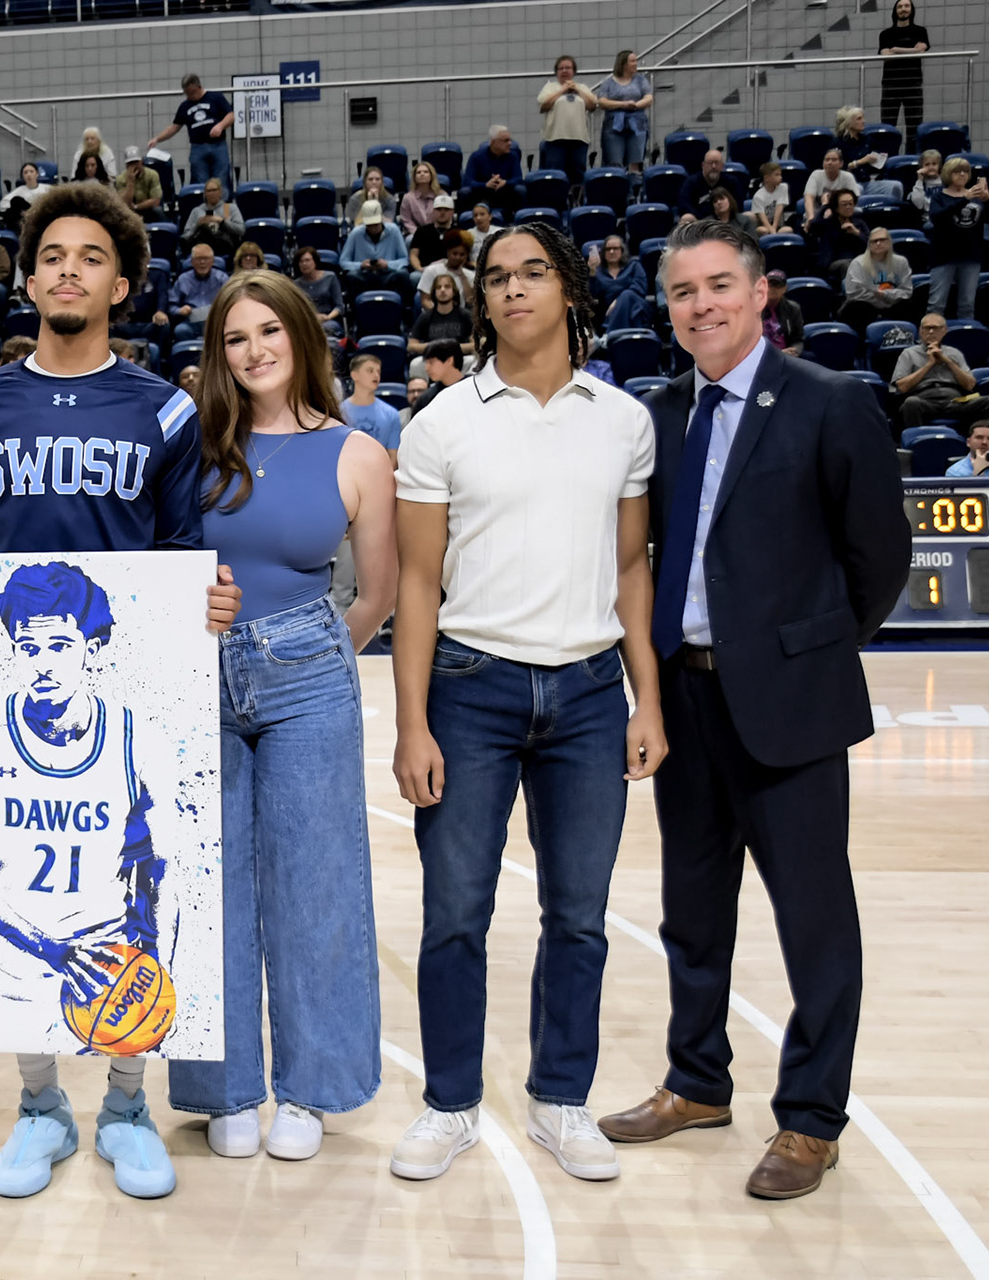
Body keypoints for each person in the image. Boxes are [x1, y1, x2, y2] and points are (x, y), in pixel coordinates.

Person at [0, 180, 243, 1203]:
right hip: (10, 674)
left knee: (127, 886)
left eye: (91, 258)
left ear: (122, 284)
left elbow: (178, 551)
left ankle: (126, 1107)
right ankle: (40, 1107)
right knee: (22, 879)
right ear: (27, 280)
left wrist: (205, 603)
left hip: (123, 684)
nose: (69, 271)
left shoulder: (164, 407)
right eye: (53, 257)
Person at [597, 217, 909, 1201]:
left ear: (760, 292)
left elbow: (880, 558)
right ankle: (697, 1081)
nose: (702, 306)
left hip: (791, 704)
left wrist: (804, 652)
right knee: (692, 913)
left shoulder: (829, 401)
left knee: (814, 921)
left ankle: (811, 1118)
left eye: (720, 285)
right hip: (685, 698)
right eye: (683, 292)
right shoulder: (658, 413)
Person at [389, 218, 662, 1187]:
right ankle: (448, 1103)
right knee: (455, 913)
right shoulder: (441, 423)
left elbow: (630, 568)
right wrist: (411, 721)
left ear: (571, 290)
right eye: (497, 276)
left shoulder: (622, 420)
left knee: (578, 915)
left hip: (589, 693)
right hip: (471, 689)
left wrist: (646, 698)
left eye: (533, 271)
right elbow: (417, 583)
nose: (512, 288)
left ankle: (560, 1097)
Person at [167, 269, 394, 1162]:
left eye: (269, 331)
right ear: (217, 353)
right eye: (235, 338)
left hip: (308, 672)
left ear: (301, 336)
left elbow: (376, 595)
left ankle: (309, 1090)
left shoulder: (357, 453)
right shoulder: (191, 444)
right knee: (207, 888)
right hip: (197, 674)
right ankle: (221, 1088)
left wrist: (309, 651)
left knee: (317, 884)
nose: (254, 350)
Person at [892, 313, 989, 428]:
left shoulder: (954, 353)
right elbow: (902, 387)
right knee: (911, 403)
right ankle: (915, 438)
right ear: (921, 331)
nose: (931, 332)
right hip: (924, 400)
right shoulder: (909, 353)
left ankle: (985, 437)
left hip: (955, 401)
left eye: (935, 328)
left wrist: (947, 361)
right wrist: (929, 365)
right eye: (927, 328)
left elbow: (970, 385)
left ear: (944, 331)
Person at [928, 158, 989, 320]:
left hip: (971, 256)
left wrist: (987, 200)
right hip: (944, 256)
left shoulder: (976, 197)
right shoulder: (939, 197)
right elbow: (937, 218)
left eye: (965, 171)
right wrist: (964, 199)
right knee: (937, 303)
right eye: (957, 171)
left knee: (967, 304)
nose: (962, 174)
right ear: (948, 174)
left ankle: (966, 332)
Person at [147, 73, 235, 195]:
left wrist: (220, 126)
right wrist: (157, 139)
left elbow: (231, 116)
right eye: (187, 93)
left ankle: (223, 206)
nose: (190, 96)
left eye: (192, 92)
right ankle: (204, 207)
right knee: (200, 182)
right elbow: (174, 127)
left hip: (218, 146)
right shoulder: (185, 106)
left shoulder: (216, 98)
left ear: (199, 87)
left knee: (222, 180)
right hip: (197, 148)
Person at [536, 55, 597, 188]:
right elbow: (544, 105)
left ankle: (576, 198)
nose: (564, 71)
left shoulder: (582, 87)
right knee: (556, 175)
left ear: (574, 71)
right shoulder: (550, 87)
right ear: (556, 71)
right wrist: (563, 90)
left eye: (568, 68)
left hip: (579, 139)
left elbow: (592, 105)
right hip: (555, 139)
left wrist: (577, 90)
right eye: (561, 68)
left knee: (578, 174)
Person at [593, 51, 654, 181]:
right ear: (623, 64)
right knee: (614, 162)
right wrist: (623, 104)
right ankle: (617, 187)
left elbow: (649, 98)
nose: (635, 64)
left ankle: (634, 187)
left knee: (635, 161)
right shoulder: (608, 83)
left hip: (637, 124)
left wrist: (636, 105)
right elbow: (602, 101)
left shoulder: (641, 80)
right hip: (614, 125)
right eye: (632, 61)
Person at [840, 227, 917, 326]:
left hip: (892, 303)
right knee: (856, 308)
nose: (878, 243)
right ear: (869, 244)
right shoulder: (858, 263)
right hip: (866, 305)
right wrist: (876, 296)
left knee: (909, 305)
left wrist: (885, 294)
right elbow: (853, 293)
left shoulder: (901, 262)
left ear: (889, 242)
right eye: (874, 241)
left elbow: (906, 291)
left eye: (882, 240)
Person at [340, 201, 410, 303]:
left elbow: (404, 260)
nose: (373, 228)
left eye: (376, 225)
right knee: (351, 276)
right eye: (369, 225)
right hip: (364, 275)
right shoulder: (355, 233)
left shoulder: (394, 231)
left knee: (403, 274)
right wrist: (360, 265)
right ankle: (356, 310)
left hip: (387, 275)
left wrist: (387, 264)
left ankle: (399, 308)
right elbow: (343, 262)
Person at [159, 242, 228, 344]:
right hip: (190, 323)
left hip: (215, 322)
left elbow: (230, 302)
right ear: (192, 262)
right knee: (180, 330)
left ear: (212, 261)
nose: (202, 262)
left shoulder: (222, 279)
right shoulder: (183, 279)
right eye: (198, 259)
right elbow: (171, 306)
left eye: (206, 258)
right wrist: (180, 310)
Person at [877, 0, 930, 133]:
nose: (903, 9)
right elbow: (886, 56)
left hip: (913, 83)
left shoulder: (920, 31)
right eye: (900, 7)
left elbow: (920, 51)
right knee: (888, 126)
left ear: (911, 9)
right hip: (890, 84)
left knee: (914, 126)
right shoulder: (886, 34)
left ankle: (912, 148)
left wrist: (895, 49)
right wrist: (912, 50)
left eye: (906, 6)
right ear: (895, 11)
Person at [340, 352, 401, 461]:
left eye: (378, 371)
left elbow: (392, 456)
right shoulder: (339, 411)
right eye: (370, 371)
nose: (376, 375)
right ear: (354, 375)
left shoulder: (391, 414)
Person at [831, 107, 897, 198]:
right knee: (858, 189)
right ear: (849, 123)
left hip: (867, 182)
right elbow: (837, 168)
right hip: (848, 183)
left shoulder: (867, 140)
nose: (863, 121)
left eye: (863, 118)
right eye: (859, 119)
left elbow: (875, 160)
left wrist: (879, 160)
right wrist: (861, 161)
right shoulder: (838, 143)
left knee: (895, 186)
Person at [590, 233, 651, 329]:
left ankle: (609, 333)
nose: (611, 251)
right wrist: (592, 272)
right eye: (608, 249)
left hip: (634, 307)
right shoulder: (598, 272)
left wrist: (618, 302)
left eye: (615, 248)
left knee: (628, 294)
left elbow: (640, 288)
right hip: (607, 313)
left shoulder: (634, 265)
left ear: (622, 250)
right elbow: (592, 295)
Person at [459, 126, 524, 215]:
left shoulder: (513, 156)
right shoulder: (476, 157)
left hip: (505, 194)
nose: (510, 143)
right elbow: (468, 181)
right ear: (493, 142)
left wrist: (505, 183)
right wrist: (486, 185)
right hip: (482, 195)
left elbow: (518, 179)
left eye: (510, 140)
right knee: (464, 192)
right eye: (505, 141)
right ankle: (466, 220)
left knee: (520, 190)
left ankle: (521, 219)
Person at [809, 189, 868, 279]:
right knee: (848, 265)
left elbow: (871, 243)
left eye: (851, 203)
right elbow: (813, 227)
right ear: (836, 207)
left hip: (857, 259)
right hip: (834, 261)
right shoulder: (827, 223)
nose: (848, 207)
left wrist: (856, 232)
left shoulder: (859, 223)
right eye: (844, 204)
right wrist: (825, 206)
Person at [182, 178, 243, 257]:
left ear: (220, 192)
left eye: (214, 190)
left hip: (224, 246)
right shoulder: (197, 211)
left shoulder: (229, 208)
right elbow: (185, 236)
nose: (212, 193)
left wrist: (222, 222)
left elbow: (241, 230)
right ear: (205, 194)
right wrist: (197, 224)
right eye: (209, 191)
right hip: (201, 246)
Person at [410, 274, 472, 352]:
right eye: (438, 287)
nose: (442, 290)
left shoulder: (465, 315)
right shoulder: (426, 316)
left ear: (454, 291)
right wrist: (435, 347)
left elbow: (475, 345)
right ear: (434, 292)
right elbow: (411, 345)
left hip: (459, 356)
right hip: (433, 356)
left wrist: (451, 348)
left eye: (447, 287)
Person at [293, 245, 344, 337]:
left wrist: (327, 317)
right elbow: (296, 310)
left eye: (307, 260)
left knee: (326, 328)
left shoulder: (330, 277)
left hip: (328, 319)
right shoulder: (296, 284)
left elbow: (339, 307)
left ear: (315, 261)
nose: (304, 264)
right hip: (307, 321)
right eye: (301, 261)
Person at [802, 149, 861, 223]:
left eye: (834, 160)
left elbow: (854, 199)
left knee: (858, 211)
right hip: (819, 210)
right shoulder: (816, 175)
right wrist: (811, 218)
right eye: (827, 160)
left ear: (841, 164)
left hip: (841, 211)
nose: (830, 162)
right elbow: (808, 197)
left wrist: (834, 212)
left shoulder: (847, 177)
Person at [419, 236, 477, 311]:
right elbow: (425, 300)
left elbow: (470, 302)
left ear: (466, 256)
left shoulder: (470, 275)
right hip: (433, 314)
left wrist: (463, 277)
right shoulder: (431, 270)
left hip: (458, 315)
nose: (458, 257)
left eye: (462, 254)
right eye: (455, 253)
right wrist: (441, 314)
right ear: (448, 252)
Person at [408, 194, 459, 272]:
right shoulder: (422, 230)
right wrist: (419, 268)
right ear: (433, 211)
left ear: (452, 212)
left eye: (446, 209)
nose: (442, 212)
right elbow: (414, 255)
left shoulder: (458, 232)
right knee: (414, 277)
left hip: (451, 271)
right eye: (439, 209)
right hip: (425, 270)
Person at [399, 162, 448, 236]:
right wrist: (419, 234)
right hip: (415, 234)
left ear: (431, 175)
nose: (422, 174)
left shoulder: (442, 195)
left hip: (438, 232)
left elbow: (447, 217)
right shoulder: (408, 198)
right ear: (414, 177)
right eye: (418, 172)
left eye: (426, 172)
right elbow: (407, 221)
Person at [762, 270, 805, 353]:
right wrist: (779, 354)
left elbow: (798, 339)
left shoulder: (792, 308)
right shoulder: (754, 308)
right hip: (762, 354)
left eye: (777, 285)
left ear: (784, 289)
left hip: (787, 354)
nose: (773, 288)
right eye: (770, 284)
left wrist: (794, 351)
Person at [677, 150, 727, 222]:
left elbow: (737, 205)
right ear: (703, 165)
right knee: (686, 218)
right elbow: (684, 206)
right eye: (710, 163)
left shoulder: (731, 182)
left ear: (722, 166)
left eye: (717, 163)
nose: (713, 166)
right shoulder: (691, 182)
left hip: (724, 220)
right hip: (698, 222)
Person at [2, 161, 50, 232]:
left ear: (37, 174)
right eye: (26, 172)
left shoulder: (47, 188)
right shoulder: (19, 191)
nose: (29, 174)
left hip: (42, 216)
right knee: (16, 201)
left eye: (31, 172)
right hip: (26, 218)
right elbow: (4, 203)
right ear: (23, 176)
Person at [115, 146, 162, 214]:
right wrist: (130, 182)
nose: (134, 166)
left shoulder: (152, 175)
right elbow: (123, 203)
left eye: (136, 162)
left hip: (148, 209)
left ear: (141, 161)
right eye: (131, 163)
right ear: (126, 165)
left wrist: (136, 207)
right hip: (129, 212)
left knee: (158, 211)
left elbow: (156, 201)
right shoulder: (120, 179)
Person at [750, 162, 791, 234]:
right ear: (766, 178)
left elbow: (779, 207)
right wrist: (771, 231)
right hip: (764, 225)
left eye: (780, 174)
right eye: (777, 175)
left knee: (788, 230)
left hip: (778, 225)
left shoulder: (783, 187)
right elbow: (762, 218)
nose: (780, 177)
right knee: (763, 230)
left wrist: (774, 228)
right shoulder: (758, 196)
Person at [907, 148, 944, 213]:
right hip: (926, 215)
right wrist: (920, 180)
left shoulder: (946, 180)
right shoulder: (918, 182)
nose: (931, 167)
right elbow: (919, 205)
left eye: (934, 164)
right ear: (922, 167)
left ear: (939, 165)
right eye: (927, 164)